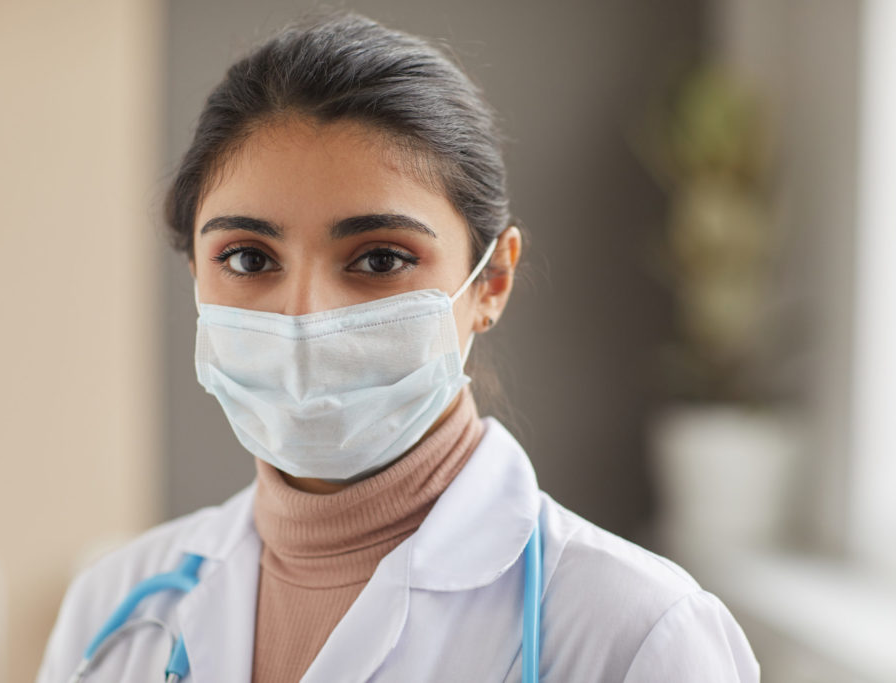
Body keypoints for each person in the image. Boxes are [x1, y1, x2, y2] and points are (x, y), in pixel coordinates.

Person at [37, 10, 760, 682]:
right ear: (196, 270)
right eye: (250, 259)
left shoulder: (637, 634)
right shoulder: (117, 609)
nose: (304, 317)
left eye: (379, 259)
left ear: (492, 281)